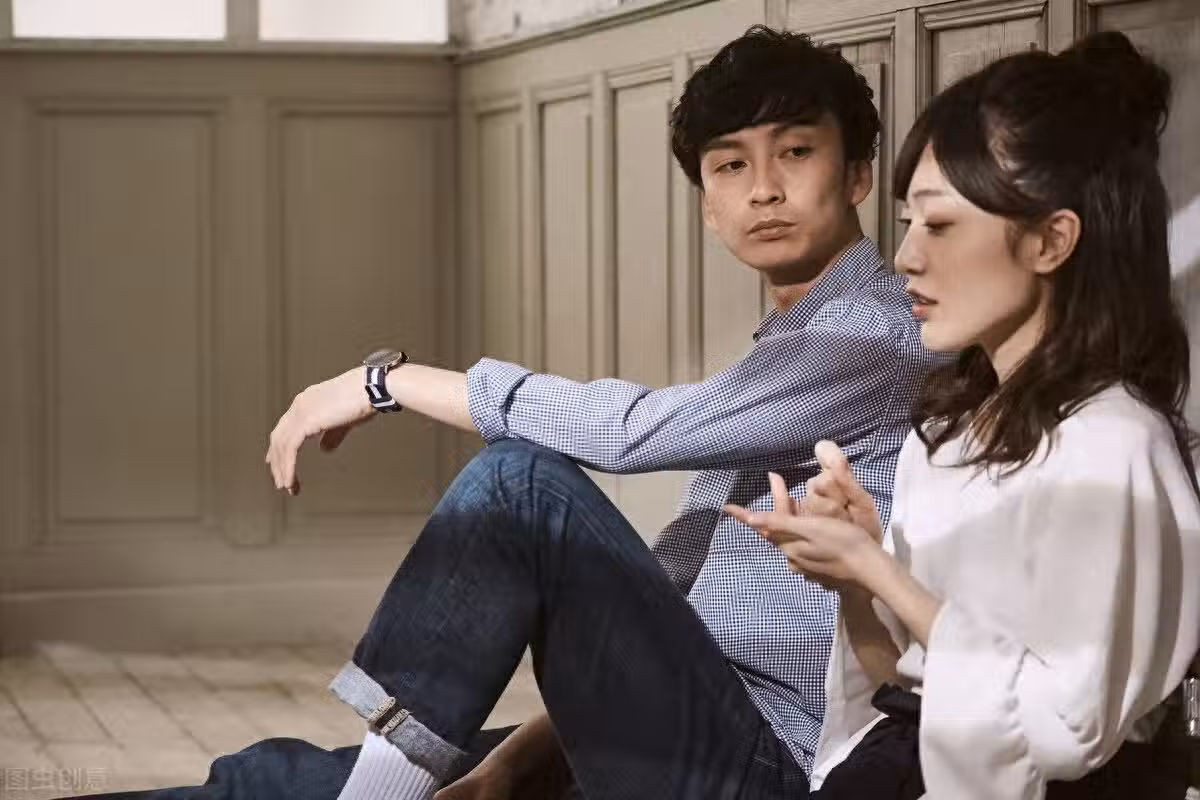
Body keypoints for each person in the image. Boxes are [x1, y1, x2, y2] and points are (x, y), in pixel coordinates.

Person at [75, 26, 935, 800]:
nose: (764, 190)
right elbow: (677, 615)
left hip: (773, 769)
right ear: (708, 208)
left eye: (796, 153)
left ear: (857, 174)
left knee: (521, 483)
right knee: (276, 779)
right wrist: (513, 767)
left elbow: (632, 433)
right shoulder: (779, 358)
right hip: (683, 730)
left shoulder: (875, 335)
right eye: (731, 166)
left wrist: (388, 383)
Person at [727, 30, 1200, 800]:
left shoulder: (1113, 448)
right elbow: (901, 682)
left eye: (940, 224)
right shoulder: (948, 434)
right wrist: (854, 575)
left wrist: (880, 570)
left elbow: (1060, 732)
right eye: (909, 222)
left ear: (1051, 240)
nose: (907, 256)